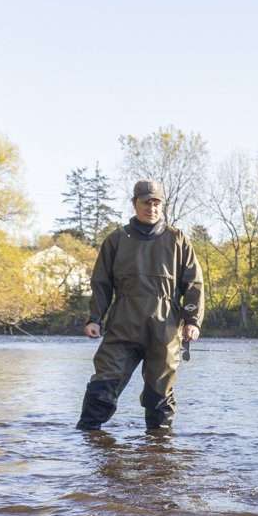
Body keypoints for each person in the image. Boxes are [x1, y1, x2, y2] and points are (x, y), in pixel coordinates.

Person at [76, 180, 204, 432]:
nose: (151, 208)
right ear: (135, 203)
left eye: (156, 203)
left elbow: (194, 283)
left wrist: (192, 321)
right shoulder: (116, 239)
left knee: (160, 395)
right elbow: (101, 283)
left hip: (165, 328)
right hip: (123, 324)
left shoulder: (177, 239)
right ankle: (87, 444)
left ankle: (158, 453)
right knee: (103, 385)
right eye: (146, 202)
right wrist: (95, 318)